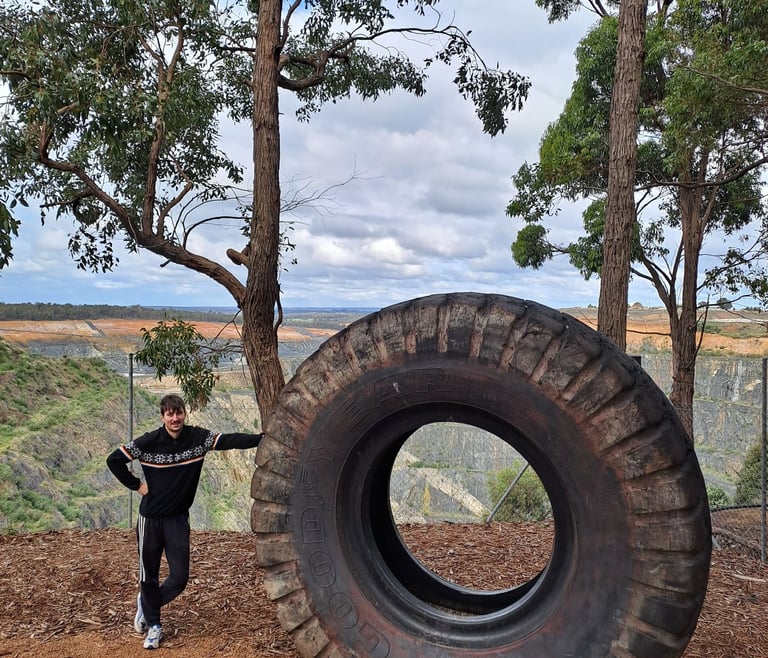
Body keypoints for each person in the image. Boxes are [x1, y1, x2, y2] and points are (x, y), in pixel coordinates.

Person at [106, 393, 262, 650]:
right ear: (163, 416)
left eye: (178, 413)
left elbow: (229, 440)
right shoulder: (148, 442)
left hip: (177, 519)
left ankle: (147, 603)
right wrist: (137, 485)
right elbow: (114, 460)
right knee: (149, 575)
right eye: (170, 414)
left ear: (184, 414)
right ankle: (154, 626)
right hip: (150, 520)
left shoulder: (197, 439)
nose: (175, 418)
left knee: (180, 577)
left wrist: (262, 439)